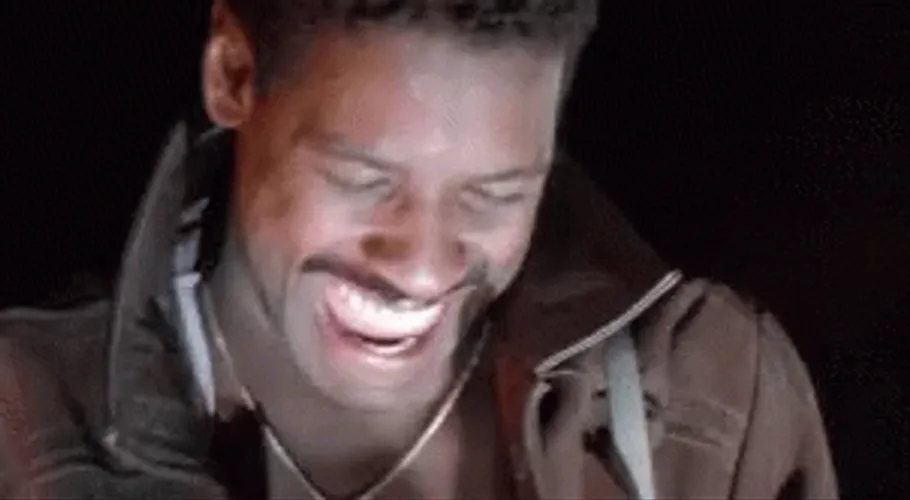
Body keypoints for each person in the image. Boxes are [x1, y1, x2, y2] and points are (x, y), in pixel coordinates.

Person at [0, 0, 838, 498]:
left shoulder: (710, 398)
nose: (423, 267)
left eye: (495, 196)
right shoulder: (23, 419)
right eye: (362, 181)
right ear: (234, 74)